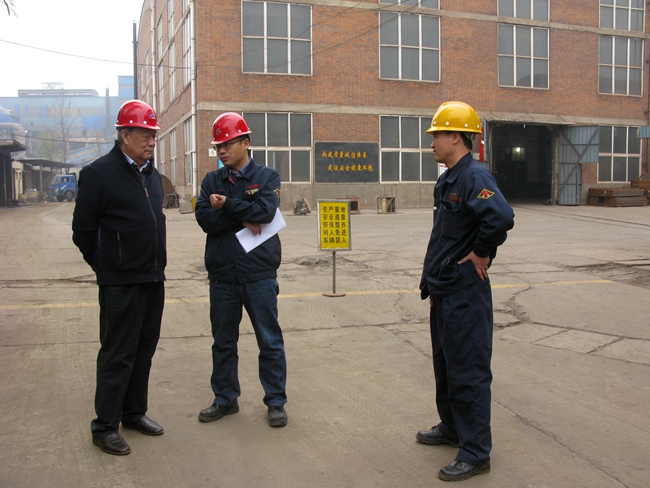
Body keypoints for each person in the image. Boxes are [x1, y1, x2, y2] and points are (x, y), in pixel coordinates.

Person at [417, 101, 514, 481]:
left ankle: (475, 452)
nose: (432, 143)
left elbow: (500, 217)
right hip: (444, 288)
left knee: (468, 370)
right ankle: (453, 427)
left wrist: (482, 251)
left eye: (437, 135)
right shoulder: (449, 179)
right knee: (446, 365)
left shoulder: (475, 177)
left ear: (456, 137)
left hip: (465, 293)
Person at [72, 100, 167, 455]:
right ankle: (104, 426)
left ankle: (133, 412)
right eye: (145, 134)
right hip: (120, 282)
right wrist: (108, 267)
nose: (152, 141)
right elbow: (83, 231)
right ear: (125, 135)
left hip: (152, 277)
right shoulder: (99, 173)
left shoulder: (152, 175)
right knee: (117, 353)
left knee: (144, 349)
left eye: (154, 135)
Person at [195, 112, 288, 427]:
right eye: (218, 146)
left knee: (269, 341)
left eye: (227, 144)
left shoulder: (267, 177)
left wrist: (227, 206)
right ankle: (225, 398)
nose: (221, 151)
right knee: (223, 342)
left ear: (245, 143)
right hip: (222, 275)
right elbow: (205, 219)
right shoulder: (211, 180)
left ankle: (275, 401)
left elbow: (266, 212)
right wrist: (242, 216)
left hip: (258, 274)